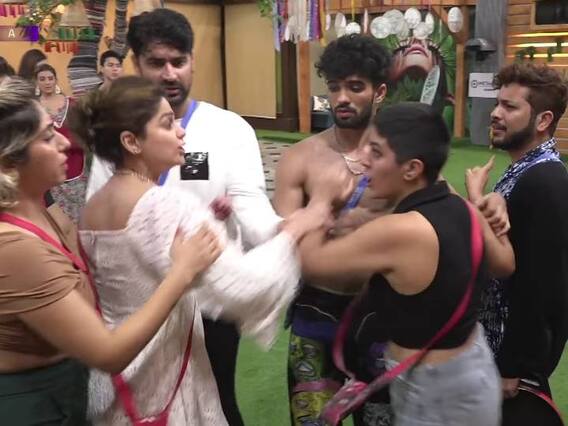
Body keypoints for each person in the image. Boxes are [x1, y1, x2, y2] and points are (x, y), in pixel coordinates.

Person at [74, 75, 330, 425]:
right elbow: (249, 286)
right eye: (167, 123)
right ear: (131, 142)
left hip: (116, 382)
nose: (181, 131)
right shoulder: (166, 205)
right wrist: (302, 223)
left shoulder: (94, 206)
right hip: (160, 379)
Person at [86, 9, 283, 424]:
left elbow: (251, 204)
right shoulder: (118, 136)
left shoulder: (229, 128)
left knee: (213, 397)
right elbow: (104, 221)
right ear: (136, 63)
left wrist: (278, 232)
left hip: (208, 301)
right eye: (157, 62)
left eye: (179, 61)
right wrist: (292, 244)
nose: (170, 73)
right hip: (138, 306)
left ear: (193, 60)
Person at [0, 77, 221, 425]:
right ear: (9, 163)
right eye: (47, 136)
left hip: (69, 387)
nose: (64, 142)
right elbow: (109, 353)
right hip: (35, 401)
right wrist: (181, 273)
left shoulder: (46, 209)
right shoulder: (15, 246)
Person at [298, 102, 516, 426]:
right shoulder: (463, 208)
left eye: (376, 152)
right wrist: (493, 206)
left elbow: (312, 261)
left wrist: (321, 199)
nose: (363, 160)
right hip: (473, 370)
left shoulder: (400, 230)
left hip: (434, 393)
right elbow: (505, 263)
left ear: (412, 169)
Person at [273, 34, 394, 425]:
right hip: (315, 316)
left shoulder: (404, 158)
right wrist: (325, 207)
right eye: (335, 86)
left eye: (355, 87)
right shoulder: (300, 158)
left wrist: (487, 205)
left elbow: (441, 220)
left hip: (382, 318)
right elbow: (281, 243)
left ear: (379, 92)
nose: (342, 97)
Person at [465, 62, 568, 423]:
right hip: (494, 352)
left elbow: (542, 286)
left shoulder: (545, 180)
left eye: (509, 106)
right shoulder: (525, 170)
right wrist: (479, 199)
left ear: (543, 120)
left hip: (512, 368)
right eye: (498, 103)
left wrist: (515, 367)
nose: (496, 113)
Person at [35, 63, 87, 223]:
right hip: (47, 173)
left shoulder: (73, 104)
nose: (47, 82)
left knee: (80, 219)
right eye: (42, 79)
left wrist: (71, 142)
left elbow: (84, 133)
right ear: (36, 82)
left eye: (50, 78)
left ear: (56, 80)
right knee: (56, 221)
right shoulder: (33, 108)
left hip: (75, 170)